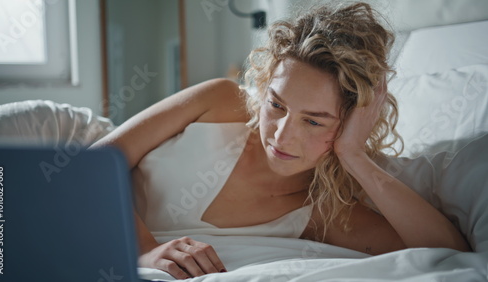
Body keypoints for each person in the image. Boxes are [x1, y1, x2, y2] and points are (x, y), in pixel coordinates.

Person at [90, 2, 471, 279]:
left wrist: (354, 154)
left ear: (351, 121)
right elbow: (91, 165)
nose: (282, 135)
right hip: (84, 224)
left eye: (314, 122)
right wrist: (142, 249)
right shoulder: (219, 102)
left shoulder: (322, 213)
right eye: (276, 104)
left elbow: (451, 254)